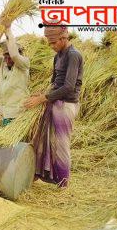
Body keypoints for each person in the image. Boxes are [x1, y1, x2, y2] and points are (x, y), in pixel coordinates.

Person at [24, 24, 83, 188]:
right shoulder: (58, 56)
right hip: (54, 102)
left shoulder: (74, 55)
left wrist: (43, 98)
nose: (51, 47)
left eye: (54, 43)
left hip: (66, 105)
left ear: (64, 38)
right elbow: (55, 82)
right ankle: (50, 177)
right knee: (48, 141)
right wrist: (41, 94)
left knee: (62, 145)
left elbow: (68, 87)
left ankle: (63, 184)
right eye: (49, 43)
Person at [0, 22, 30, 126]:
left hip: (17, 114)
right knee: (5, 142)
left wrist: (7, 29)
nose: (7, 59)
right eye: (5, 55)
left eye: (9, 55)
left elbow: (14, 55)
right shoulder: (3, 64)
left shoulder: (23, 63)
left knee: (17, 142)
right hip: (4, 113)